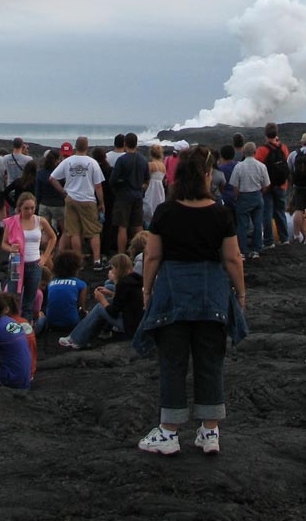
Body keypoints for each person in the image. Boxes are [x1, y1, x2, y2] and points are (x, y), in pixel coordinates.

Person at [133, 145, 247, 456]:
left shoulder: (165, 212)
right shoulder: (221, 213)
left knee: (173, 361)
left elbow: (152, 255)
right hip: (212, 293)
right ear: (207, 175)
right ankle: (210, 432)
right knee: (210, 360)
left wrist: (146, 290)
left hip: (173, 293)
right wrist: (240, 292)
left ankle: (169, 432)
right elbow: (233, 259)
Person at [59, 253, 143, 349]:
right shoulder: (134, 280)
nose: (111, 271)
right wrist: (110, 293)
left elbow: (113, 312)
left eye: (112, 268)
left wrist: (102, 299)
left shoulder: (123, 284)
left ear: (117, 268)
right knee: (109, 301)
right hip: (138, 322)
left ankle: (76, 340)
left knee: (100, 307)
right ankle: (104, 332)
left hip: (131, 327)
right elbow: (127, 300)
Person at [49, 137, 106, 272]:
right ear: (87, 147)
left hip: (71, 198)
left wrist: (63, 191)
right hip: (87, 199)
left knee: (74, 232)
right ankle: (97, 261)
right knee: (93, 231)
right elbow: (98, 186)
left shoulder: (68, 161)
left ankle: (78, 261)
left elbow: (52, 178)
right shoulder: (92, 163)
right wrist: (102, 202)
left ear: (75, 147)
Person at [2, 192, 58, 322]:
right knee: (13, 296)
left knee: (30, 298)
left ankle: (27, 326)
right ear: (20, 208)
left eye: (32, 208)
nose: (30, 211)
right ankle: (12, 323)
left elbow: (53, 237)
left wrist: (45, 256)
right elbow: (4, 243)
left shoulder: (40, 221)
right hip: (16, 261)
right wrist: (11, 249)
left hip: (34, 262)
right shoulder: (13, 222)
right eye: (26, 208)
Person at [110, 132, 150, 258]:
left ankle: (121, 256)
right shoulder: (143, 160)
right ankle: (144, 252)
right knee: (138, 226)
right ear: (136, 144)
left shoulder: (122, 160)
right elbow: (147, 179)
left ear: (125, 144)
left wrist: (117, 190)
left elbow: (113, 179)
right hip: (138, 196)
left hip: (123, 197)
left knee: (122, 227)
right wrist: (141, 190)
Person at [230, 142, 269, 259]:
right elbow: (266, 184)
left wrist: (236, 197)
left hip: (243, 196)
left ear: (243, 152)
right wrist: (261, 193)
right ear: (255, 152)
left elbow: (235, 186)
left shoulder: (239, 166)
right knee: (257, 224)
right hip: (257, 195)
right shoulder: (261, 166)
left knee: (242, 225)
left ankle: (243, 251)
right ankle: (256, 250)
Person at [255, 124, 291, 249]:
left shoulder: (261, 150)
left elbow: (257, 167)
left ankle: (269, 241)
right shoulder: (284, 148)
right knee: (280, 212)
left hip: (267, 186)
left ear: (265, 134)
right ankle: (284, 238)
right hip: (282, 185)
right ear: (276, 133)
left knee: (267, 213)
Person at [45, 250, 87, 330]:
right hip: (72, 323)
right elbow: (82, 307)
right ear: (76, 268)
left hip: (50, 321)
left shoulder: (51, 283)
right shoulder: (81, 284)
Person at [34, 150, 65, 233]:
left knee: (44, 230)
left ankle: (46, 245)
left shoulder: (40, 172)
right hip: (58, 204)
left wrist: (37, 203)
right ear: (57, 160)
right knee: (65, 231)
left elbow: (38, 191)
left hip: (44, 204)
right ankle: (61, 245)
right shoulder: (59, 173)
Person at [144, 145, 167, 219]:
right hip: (160, 189)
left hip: (151, 188)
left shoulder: (151, 164)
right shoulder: (163, 166)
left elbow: (146, 178)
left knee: (148, 207)